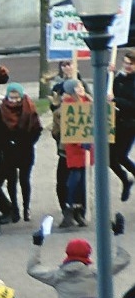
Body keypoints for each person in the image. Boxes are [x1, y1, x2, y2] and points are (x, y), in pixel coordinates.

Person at [29, 219, 129, 298]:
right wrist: (118, 235)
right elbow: (123, 259)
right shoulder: (97, 274)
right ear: (87, 255)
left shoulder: (57, 277)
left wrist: (37, 244)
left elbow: (33, 268)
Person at [0, 83, 42, 223]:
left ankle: (26, 208)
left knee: (25, 180)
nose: (14, 100)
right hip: (8, 150)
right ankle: (14, 208)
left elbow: (37, 129)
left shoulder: (29, 109)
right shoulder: (2, 110)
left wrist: (28, 142)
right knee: (11, 180)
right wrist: (6, 143)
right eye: (11, 97)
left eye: (16, 97)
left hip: (25, 149)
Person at [59, 80, 92, 228]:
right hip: (75, 148)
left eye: (82, 86)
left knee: (83, 180)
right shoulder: (68, 105)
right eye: (78, 87)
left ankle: (80, 210)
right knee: (75, 177)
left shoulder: (87, 101)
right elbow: (71, 128)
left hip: (87, 147)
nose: (82, 89)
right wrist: (80, 142)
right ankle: (70, 206)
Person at [111, 50, 135, 201]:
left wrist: (116, 100)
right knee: (109, 157)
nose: (127, 66)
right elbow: (111, 90)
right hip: (117, 122)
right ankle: (125, 180)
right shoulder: (120, 77)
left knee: (120, 155)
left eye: (130, 64)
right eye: (125, 63)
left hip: (130, 124)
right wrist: (110, 75)